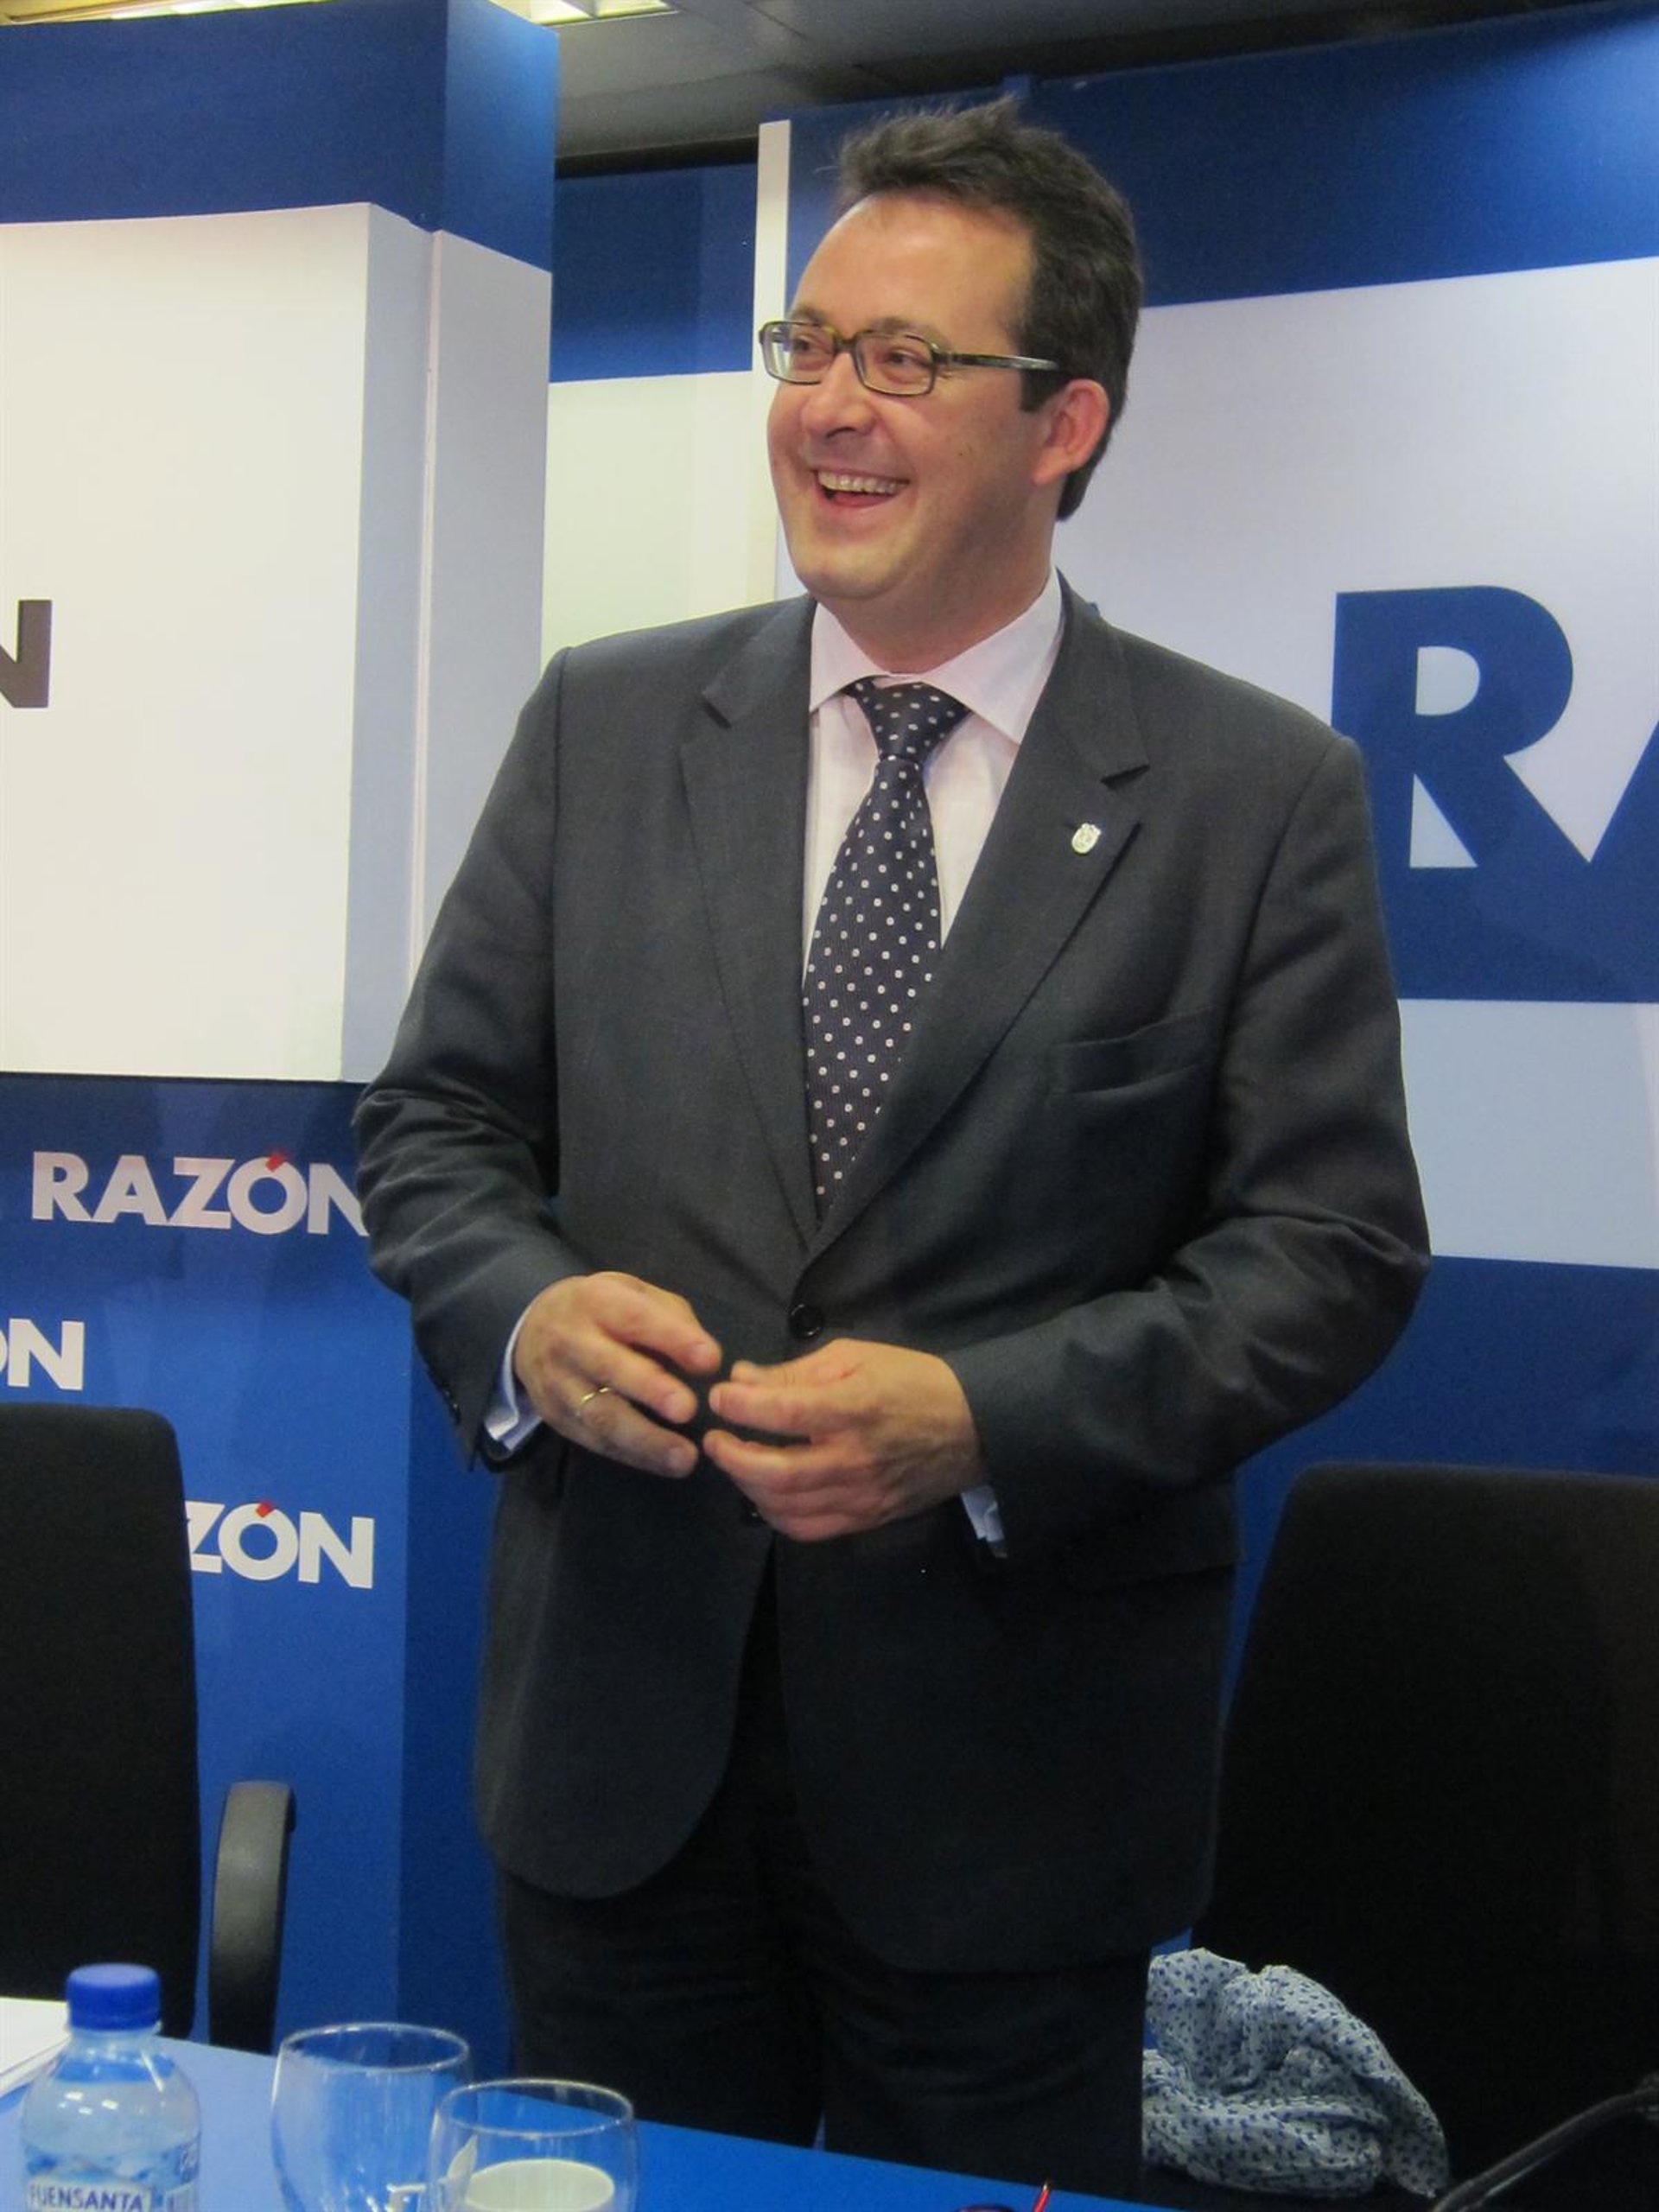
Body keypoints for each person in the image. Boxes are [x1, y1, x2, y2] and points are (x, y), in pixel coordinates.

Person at [354, 96, 1428, 2198]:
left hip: (1015, 1800)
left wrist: (984, 1418)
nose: (831, 408)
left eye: (909, 359)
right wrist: (528, 1311)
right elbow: (438, 1120)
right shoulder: (605, 722)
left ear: (1063, 422)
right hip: (620, 1761)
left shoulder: (1253, 791)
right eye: (810, 346)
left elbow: (1330, 1248)